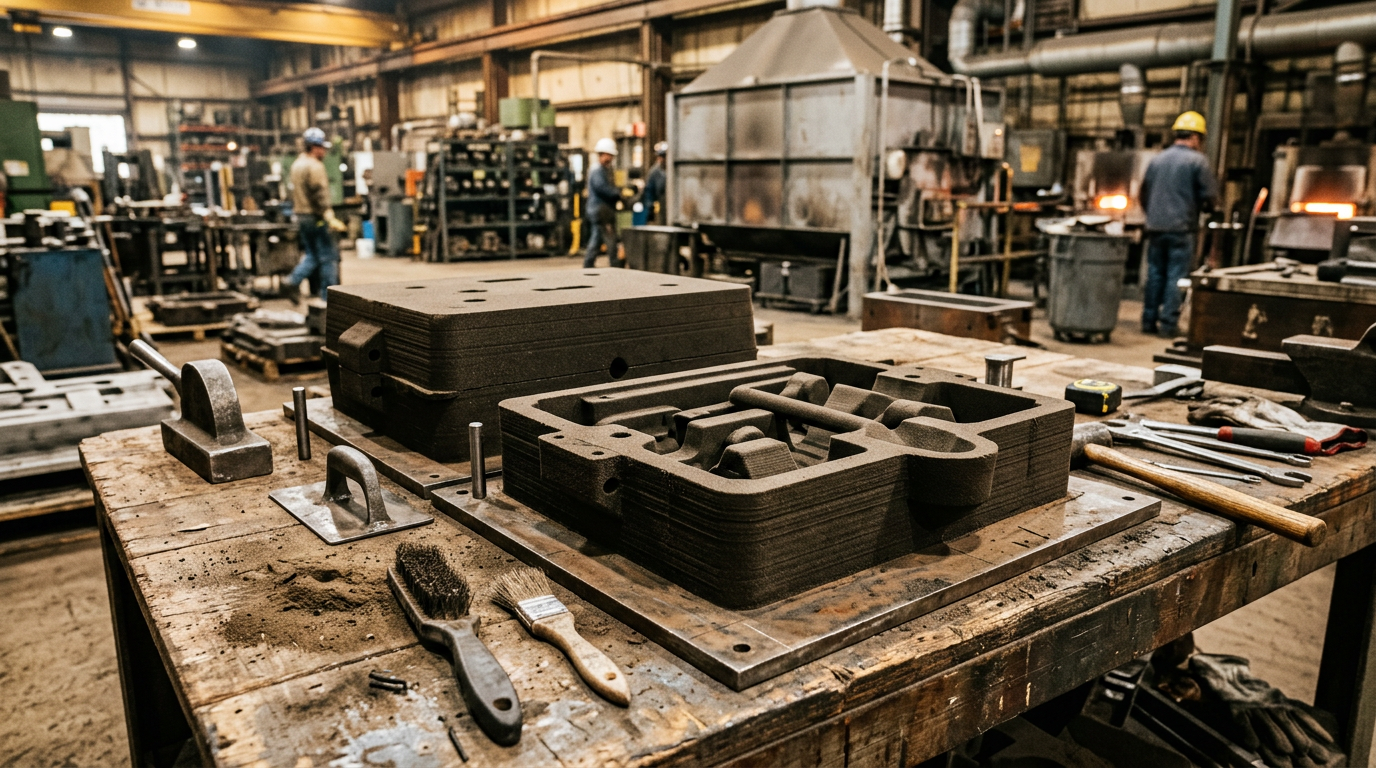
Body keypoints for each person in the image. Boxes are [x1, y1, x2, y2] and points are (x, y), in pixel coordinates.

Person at [1139, 111, 1218, 338]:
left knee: (1155, 274)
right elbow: (1211, 196)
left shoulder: (1157, 159)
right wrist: (1212, 211)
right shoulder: (1197, 161)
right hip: (1181, 229)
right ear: (1195, 137)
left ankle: (1148, 321)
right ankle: (1167, 326)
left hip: (1155, 227)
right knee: (1176, 276)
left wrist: (1153, 215)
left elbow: (1143, 193)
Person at [283, 127, 346, 302]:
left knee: (312, 254)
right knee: (328, 257)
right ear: (314, 147)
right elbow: (319, 194)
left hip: (302, 216)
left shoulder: (296, 164)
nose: (324, 152)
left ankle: (292, 280)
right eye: (322, 148)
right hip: (316, 217)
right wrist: (328, 216)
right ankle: (329, 299)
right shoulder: (315, 166)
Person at [583, 137, 623, 268]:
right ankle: (614, 265)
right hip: (600, 211)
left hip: (601, 210)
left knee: (596, 238)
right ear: (602, 154)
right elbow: (602, 189)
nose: (610, 158)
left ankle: (588, 265)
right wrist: (618, 193)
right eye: (609, 155)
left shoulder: (603, 170)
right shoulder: (597, 170)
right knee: (610, 239)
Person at [644, 141, 667, 225]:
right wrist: (650, 208)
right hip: (660, 206)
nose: (662, 159)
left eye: (664, 156)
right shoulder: (654, 172)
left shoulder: (674, 170)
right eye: (660, 156)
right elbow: (649, 190)